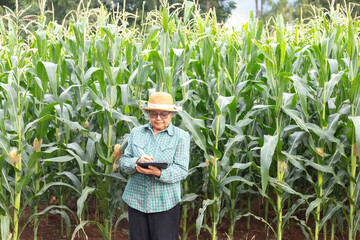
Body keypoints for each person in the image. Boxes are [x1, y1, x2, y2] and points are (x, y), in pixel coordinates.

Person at [119, 92, 190, 240]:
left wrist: (158, 173)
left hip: (165, 203)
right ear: (148, 113)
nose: (158, 118)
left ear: (171, 114)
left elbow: (182, 170)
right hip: (136, 200)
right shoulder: (136, 133)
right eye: (153, 114)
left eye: (163, 114)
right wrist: (136, 161)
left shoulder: (181, 136)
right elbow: (124, 162)